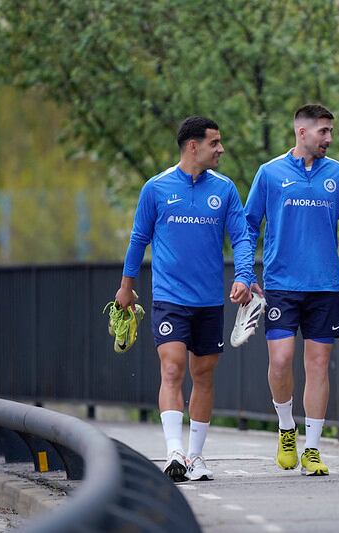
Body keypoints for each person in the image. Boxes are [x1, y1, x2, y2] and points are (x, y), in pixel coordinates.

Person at [116, 116, 255, 482]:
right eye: (215, 143)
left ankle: (196, 457)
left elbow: (241, 237)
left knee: (203, 374)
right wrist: (126, 286)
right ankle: (173, 451)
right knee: (173, 367)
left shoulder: (224, 189)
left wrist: (244, 276)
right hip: (169, 296)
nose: (221, 149)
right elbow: (138, 239)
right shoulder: (156, 188)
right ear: (193, 146)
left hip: (209, 299)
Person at [244, 103, 339, 476]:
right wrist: (245, 270)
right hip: (281, 285)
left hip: (324, 286)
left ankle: (313, 449)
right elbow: (249, 226)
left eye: (330, 131)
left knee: (317, 365)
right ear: (302, 132)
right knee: (281, 360)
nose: (329, 138)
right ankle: (286, 427)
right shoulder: (269, 173)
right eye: (323, 132)